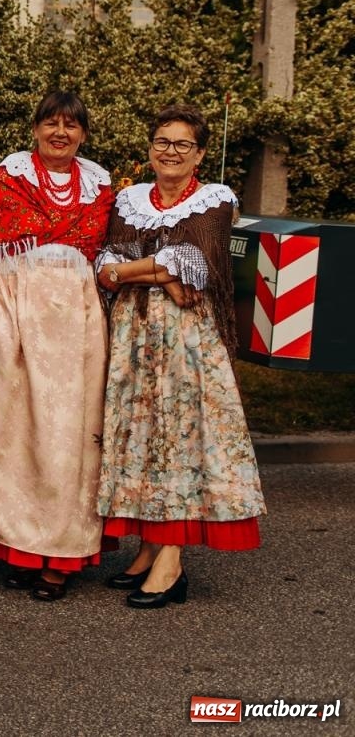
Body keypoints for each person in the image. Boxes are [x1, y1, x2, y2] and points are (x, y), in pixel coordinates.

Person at [0, 93, 116, 601]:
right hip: (14, 328)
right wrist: (0, 310)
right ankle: (17, 548)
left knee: (68, 437)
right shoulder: (8, 178)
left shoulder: (100, 184)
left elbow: (107, 254)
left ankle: (60, 556)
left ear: (83, 133)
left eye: (71, 125)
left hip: (76, 327)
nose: (60, 133)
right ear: (35, 128)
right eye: (51, 123)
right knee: (13, 435)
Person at [96, 105, 265, 608]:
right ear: (150, 148)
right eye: (162, 142)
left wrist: (137, 269)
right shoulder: (129, 200)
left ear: (201, 154)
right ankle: (149, 545)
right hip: (136, 335)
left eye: (182, 144)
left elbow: (197, 261)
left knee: (181, 437)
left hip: (188, 339)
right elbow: (109, 259)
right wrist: (159, 272)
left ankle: (172, 559)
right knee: (143, 434)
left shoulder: (215, 201)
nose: (170, 152)